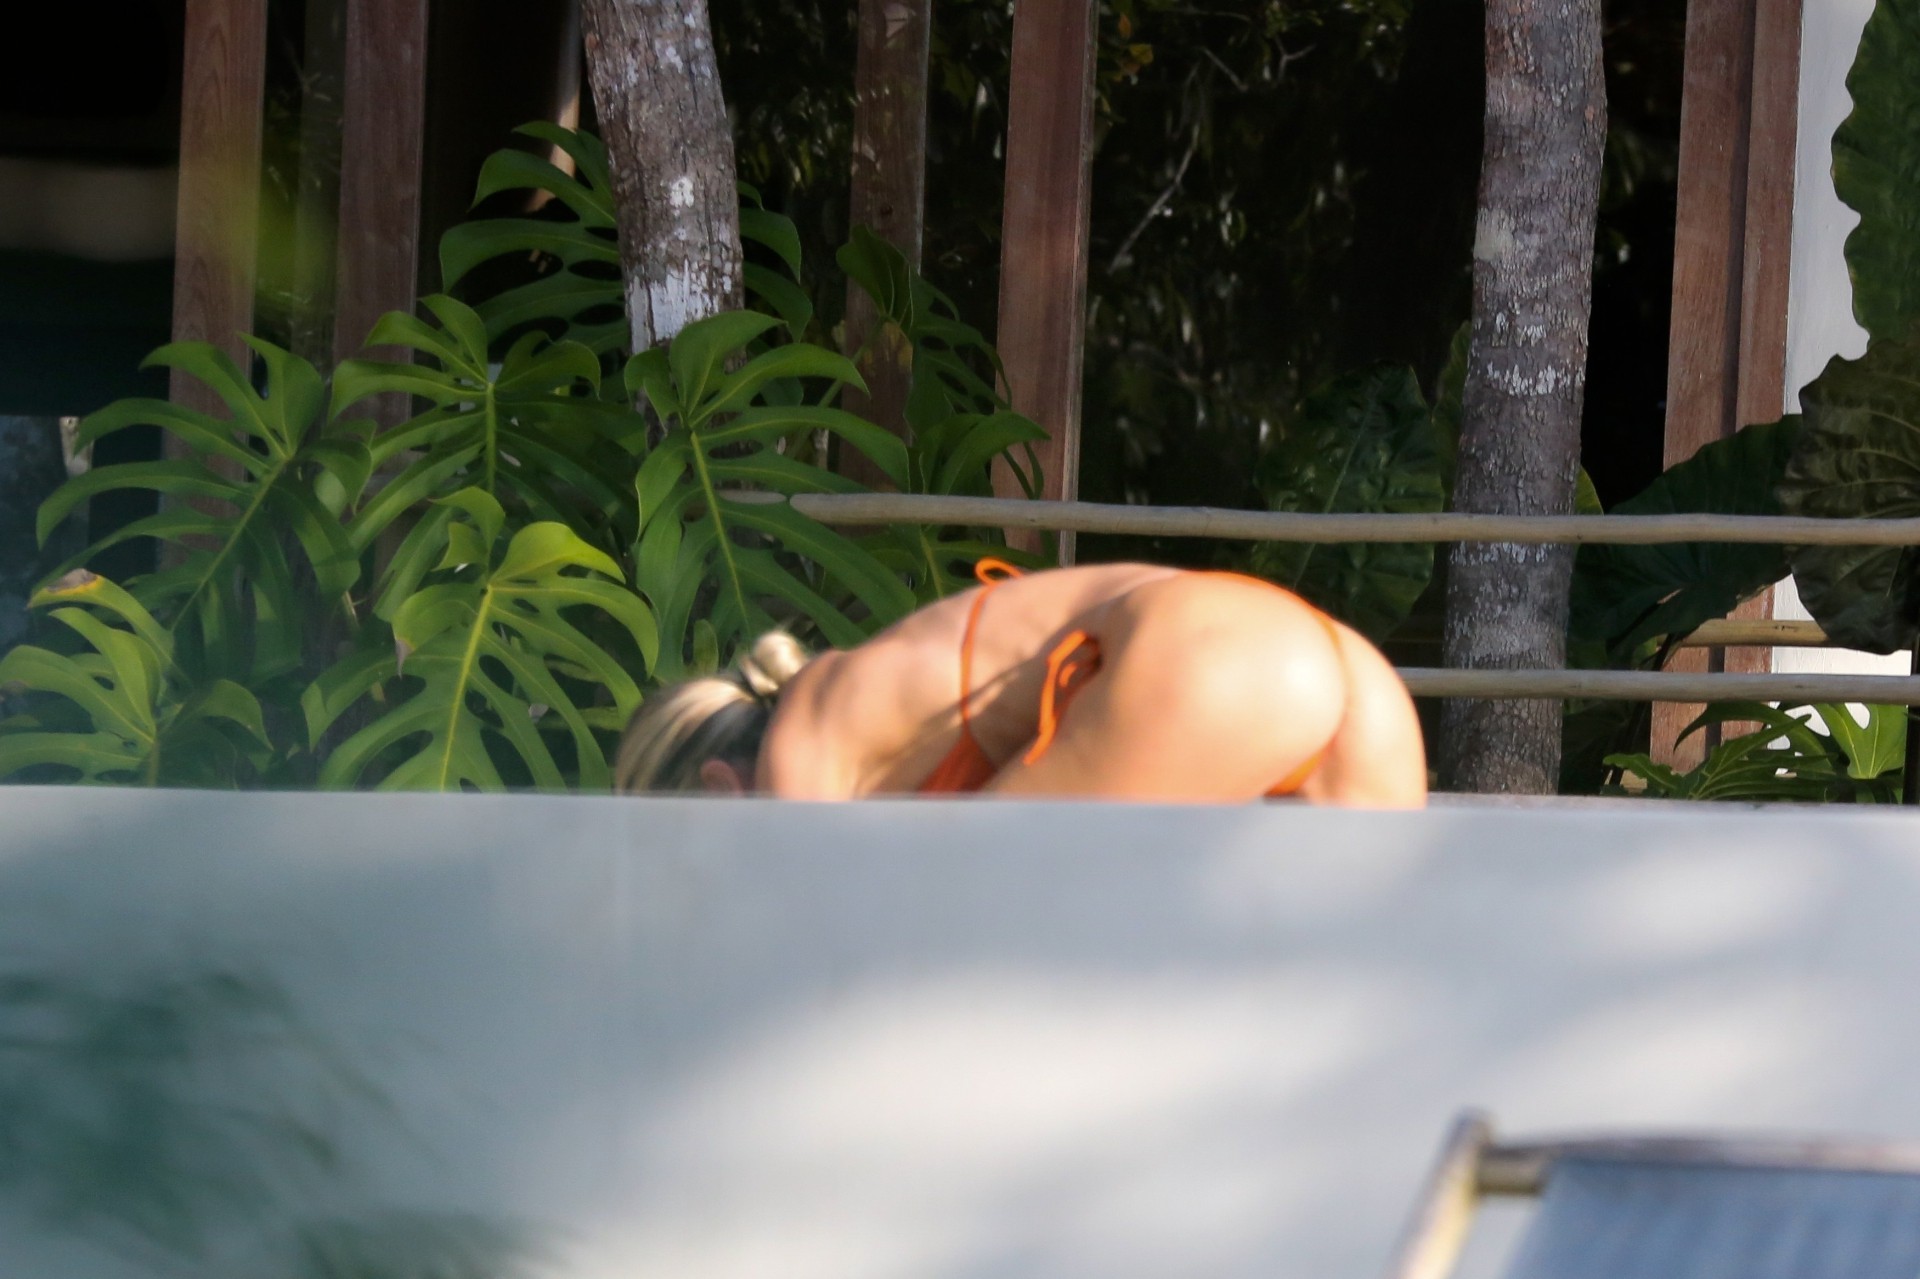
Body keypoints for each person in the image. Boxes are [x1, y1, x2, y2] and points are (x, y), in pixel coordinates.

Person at [615, 560, 1427, 806]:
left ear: (717, 789)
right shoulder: (861, 693)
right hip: (1352, 683)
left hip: (1213, 664)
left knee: (987, 930)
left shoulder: (804, 738)